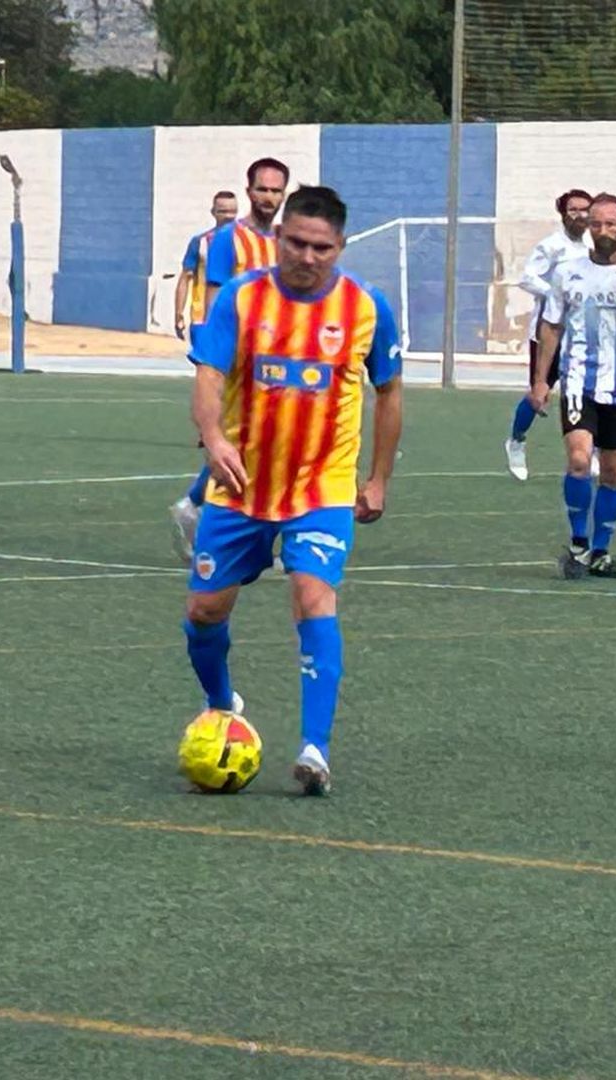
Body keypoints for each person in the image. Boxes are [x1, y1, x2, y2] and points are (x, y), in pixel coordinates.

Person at [181, 184, 404, 797]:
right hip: (241, 485)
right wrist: (213, 437)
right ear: (279, 237)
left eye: (322, 248)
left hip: (321, 487)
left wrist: (378, 478)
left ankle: (315, 750)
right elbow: (209, 376)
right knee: (204, 613)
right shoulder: (241, 298)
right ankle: (221, 705)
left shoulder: (366, 308)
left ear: (341, 246)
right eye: (298, 243)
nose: (308, 257)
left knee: (312, 596)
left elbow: (389, 391)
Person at [528, 193, 616, 580]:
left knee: (612, 472)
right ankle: (579, 545)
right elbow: (551, 326)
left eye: (610, 224)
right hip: (579, 383)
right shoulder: (567, 272)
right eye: (596, 224)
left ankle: (601, 552)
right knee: (579, 460)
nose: (603, 230)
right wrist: (540, 381)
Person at [170, 159, 291, 560]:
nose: (269, 197)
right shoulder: (228, 240)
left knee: (271, 441)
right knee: (250, 441)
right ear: (249, 190)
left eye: (276, 190)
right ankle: (204, 509)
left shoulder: (285, 241)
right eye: (262, 189)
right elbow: (216, 300)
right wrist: (217, 358)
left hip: (279, 358)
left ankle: (194, 505)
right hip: (240, 359)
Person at [504, 189, 592, 482]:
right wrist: (557, 292)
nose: (579, 215)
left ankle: (587, 450)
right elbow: (528, 278)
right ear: (563, 214)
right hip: (548, 332)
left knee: (585, 393)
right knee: (538, 396)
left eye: (584, 209)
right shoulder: (551, 246)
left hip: (580, 334)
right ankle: (516, 440)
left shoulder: (592, 248)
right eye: (573, 209)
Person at [172, 190, 239, 342]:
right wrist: (178, 314)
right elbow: (185, 278)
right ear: (213, 212)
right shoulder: (200, 242)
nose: (229, 216)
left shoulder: (246, 242)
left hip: (237, 317)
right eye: (223, 211)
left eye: (233, 211)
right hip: (202, 318)